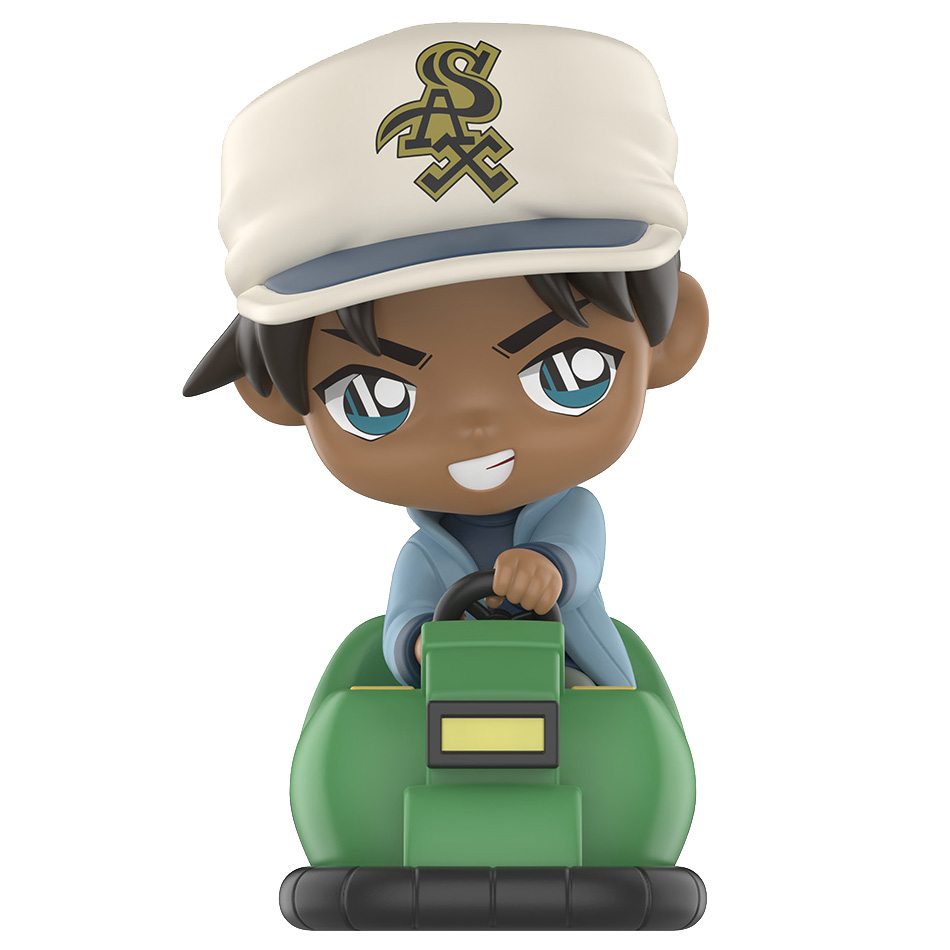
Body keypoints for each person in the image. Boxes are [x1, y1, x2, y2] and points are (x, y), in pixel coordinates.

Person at [183, 22, 708, 688]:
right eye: (377, 399)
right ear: (274, 395)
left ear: (671, 339)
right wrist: (418, 648)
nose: (475, 424)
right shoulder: (426, 556)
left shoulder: (571, 514)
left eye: (569, 371)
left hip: (577, 686)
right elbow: (404, 622)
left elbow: (578, 555)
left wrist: (550, 568)